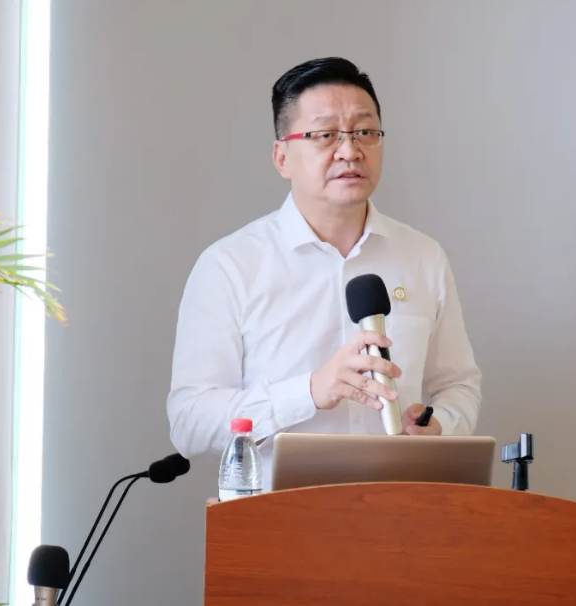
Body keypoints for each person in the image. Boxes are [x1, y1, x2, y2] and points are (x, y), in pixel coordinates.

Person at [166, 57, 482, 486]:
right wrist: (310, 391)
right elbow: (190, 422)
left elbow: (459, 385)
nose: (350, 151)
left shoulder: (423, 257)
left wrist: (440, 423)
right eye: (325, 135)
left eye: (365, 132)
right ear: (282, 157)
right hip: (279, 514)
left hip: (400, 507)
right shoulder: (230, 266)